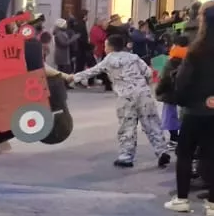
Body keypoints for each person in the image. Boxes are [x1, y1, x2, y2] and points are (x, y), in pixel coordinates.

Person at [162, 4, 214, 216]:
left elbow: (183, 81)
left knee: (185, 153)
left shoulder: (197, 50)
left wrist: (180, 98)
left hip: (197, 108)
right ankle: (213, 204)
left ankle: (181, 199)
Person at [73, 34, 173, 169]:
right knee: (152, 123)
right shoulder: (134, 57)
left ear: (110, 47)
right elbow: (149, 73)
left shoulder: (109, 60)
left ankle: (126, 156)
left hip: (125, 97)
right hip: (143, 94)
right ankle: (162, 151)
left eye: (106, 45)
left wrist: (73, 77)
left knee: (127, 126)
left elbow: (92, 72)